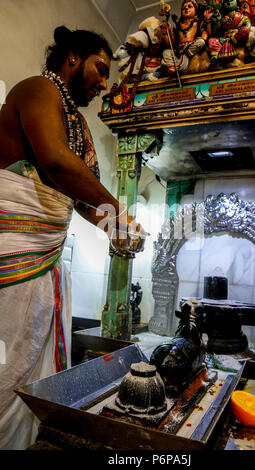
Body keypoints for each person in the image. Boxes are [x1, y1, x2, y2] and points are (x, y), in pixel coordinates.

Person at [0, 25, 143, 450]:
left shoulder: (78, 121)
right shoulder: (37, 89)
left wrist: (114, 232)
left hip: (44, 262)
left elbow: (79, 198)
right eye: (100, 69)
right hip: (13, 253)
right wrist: (119, 214)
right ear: (73, 57)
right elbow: (58, 164)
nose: (104, 83)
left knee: (30, 373)